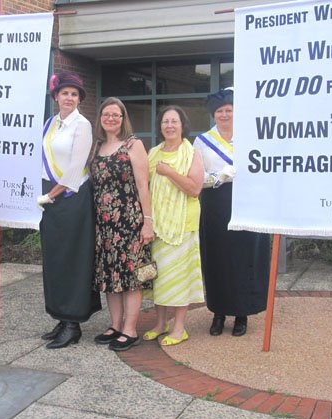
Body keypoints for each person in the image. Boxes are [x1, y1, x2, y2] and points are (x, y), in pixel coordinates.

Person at [193, 88, 270, 337]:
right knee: (217, 259)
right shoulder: (202, 141)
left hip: (247, 203)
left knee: (243, 258)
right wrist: (218, 176)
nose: (224, 114)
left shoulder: (251, 137)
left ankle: (242, 314)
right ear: (213, 114)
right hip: (216, 204)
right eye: (220, 111)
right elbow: (196, 178)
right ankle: (218, 313)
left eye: (229, 110)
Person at [38, 71, 101, 349]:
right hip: (52, 200)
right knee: (55, 259)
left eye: (74, 94)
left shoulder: (83, 125)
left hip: (71, 198)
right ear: (56, 96)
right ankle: (61, 317)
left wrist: (49, 196)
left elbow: (76, 169)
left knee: (72, 259)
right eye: (65, 93)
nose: (69, 98)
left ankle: (73, 323)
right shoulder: (50, 124)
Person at [90, 97, 154, 352]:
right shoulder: (96, 146)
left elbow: (142, 186)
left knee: (130, 276)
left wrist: (147, 222)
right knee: (109, 275)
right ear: (100, 118)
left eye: (116, 115)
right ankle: (115, 325)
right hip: (103, 223)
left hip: (129, 221)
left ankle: (130, 328)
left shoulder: (133, 144)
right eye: (106, 114)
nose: (111, 119)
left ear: (123, 118)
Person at [142, 105, 205, 346]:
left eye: (174, 121)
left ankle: (179, 328)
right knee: (158, 277)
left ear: (182, 125)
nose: (169, 125)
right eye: (165, 121)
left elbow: (194, 188)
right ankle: (160, 324)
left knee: (179, 277)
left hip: (183, 225)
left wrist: (168, 172)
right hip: (157, 225)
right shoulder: (153, 152)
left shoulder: (192, 153)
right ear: (160, 126)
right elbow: (144, 186)